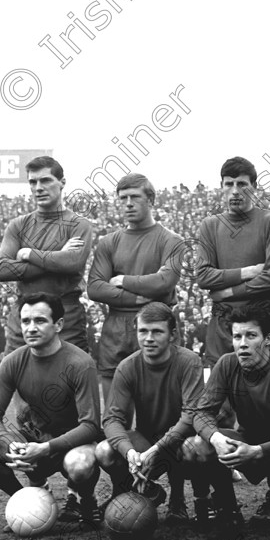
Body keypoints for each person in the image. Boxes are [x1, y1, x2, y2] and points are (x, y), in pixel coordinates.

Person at [0, 293, 102, 525]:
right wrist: (11, 444)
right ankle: (27, 499)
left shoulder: (81, 363)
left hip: (71, 445)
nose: (31, 328)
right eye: (26, 321)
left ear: (58, 325)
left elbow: (91, 426)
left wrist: (45, 448)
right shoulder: (12, 361)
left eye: (40, 320)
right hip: (30, 442)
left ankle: (86, 499)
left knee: (80, 464)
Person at [189, 305, 270, 540]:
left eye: (251, 336)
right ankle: (228, 512)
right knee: (201, 443)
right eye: (237, 336)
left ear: (267, 339)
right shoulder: (226, 364)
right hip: (247, 441)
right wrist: (217, 439)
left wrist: (257, 451)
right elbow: (202, 413)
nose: (242, 343)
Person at [95, 302, 206, 523]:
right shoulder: (127, 367)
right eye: (143, 331)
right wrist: (129, 453)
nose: (148, 338)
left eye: (157, 331)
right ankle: (132, 492)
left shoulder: (189, 361)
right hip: (146, 443)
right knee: (104, 450)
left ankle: (186, 500)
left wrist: (157, 449)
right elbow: (111, 419)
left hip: (181, 442)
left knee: (194, 446)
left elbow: (191, 415)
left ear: (172, 334)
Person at [87, 173, 187, 405]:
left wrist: (123, 280)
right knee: (115, 414)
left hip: (157, 325)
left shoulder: (171, 240)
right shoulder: (108, 242)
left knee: (164, 414)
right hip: (116, 329)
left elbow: (165, 282)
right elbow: (94, 288)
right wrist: (140, 298)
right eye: (123, 198)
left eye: (134, 197)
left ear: (150, 201)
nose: (128, 203)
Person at [194, 156, 270, 365]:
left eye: (242, 184)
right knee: (222, 393)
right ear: (221, 187)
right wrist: (247, 272)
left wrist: (229, 292)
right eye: (229, 184)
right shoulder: (210, 225)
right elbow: (203, 276)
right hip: (222, 327)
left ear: (253, 187)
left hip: (264, 324)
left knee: (268, 393)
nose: (235, 191)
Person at [0, 156, 93, 353]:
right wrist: (57, 256)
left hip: (65, 316)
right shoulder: (18, 225)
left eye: (46, 180)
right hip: (25, 313)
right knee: (15, 376)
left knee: (69, 376)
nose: (38, 187)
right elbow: (2, 270)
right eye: (33, 182)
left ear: (62, 183)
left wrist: (30, 254)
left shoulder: (78, 224)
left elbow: (72, 263)